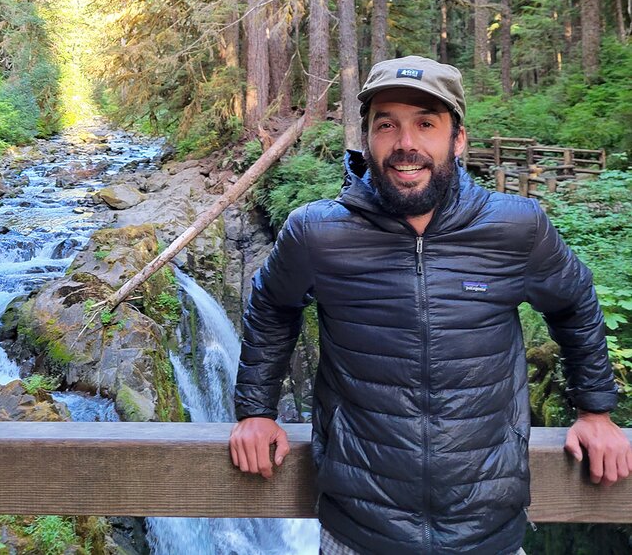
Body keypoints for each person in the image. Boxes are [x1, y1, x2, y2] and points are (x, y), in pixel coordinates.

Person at [229, 55, 632, 555]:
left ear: (457, 139)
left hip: (488, 529)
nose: (406, 144)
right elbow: (272, 306)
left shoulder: (516, 227)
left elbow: (574, 303)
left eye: (426, 124)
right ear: (367, 138)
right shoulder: (318, 233)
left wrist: (594, 411)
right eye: (387, 125)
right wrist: (255, 410)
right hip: (356, 530)